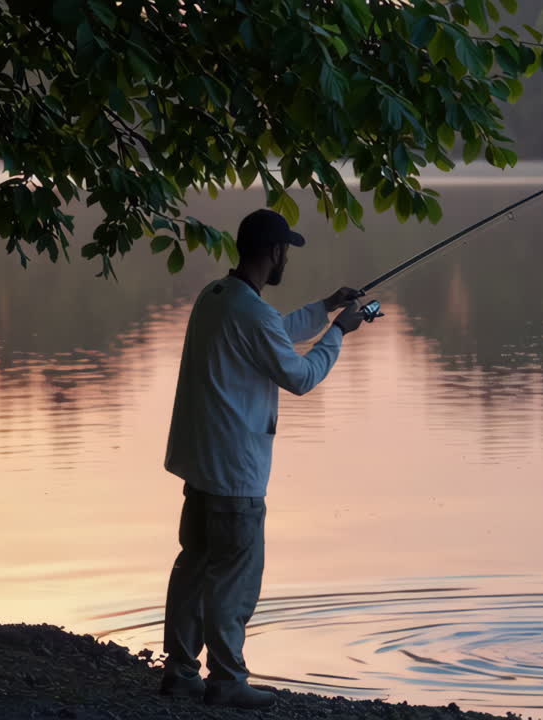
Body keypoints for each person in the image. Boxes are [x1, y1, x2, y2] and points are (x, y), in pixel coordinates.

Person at [158, 209, 368, 708]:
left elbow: (271, 330)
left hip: (201, 467)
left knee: (194, 567)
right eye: (285, 252)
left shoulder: (217, 298)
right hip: (236, 475)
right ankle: (227, 681)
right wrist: (338, 334)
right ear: (274, 253)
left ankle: (181, 671)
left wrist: (324, 309)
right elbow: (298, 376)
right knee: (234, 576)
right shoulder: (248, 313)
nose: (286, 260)